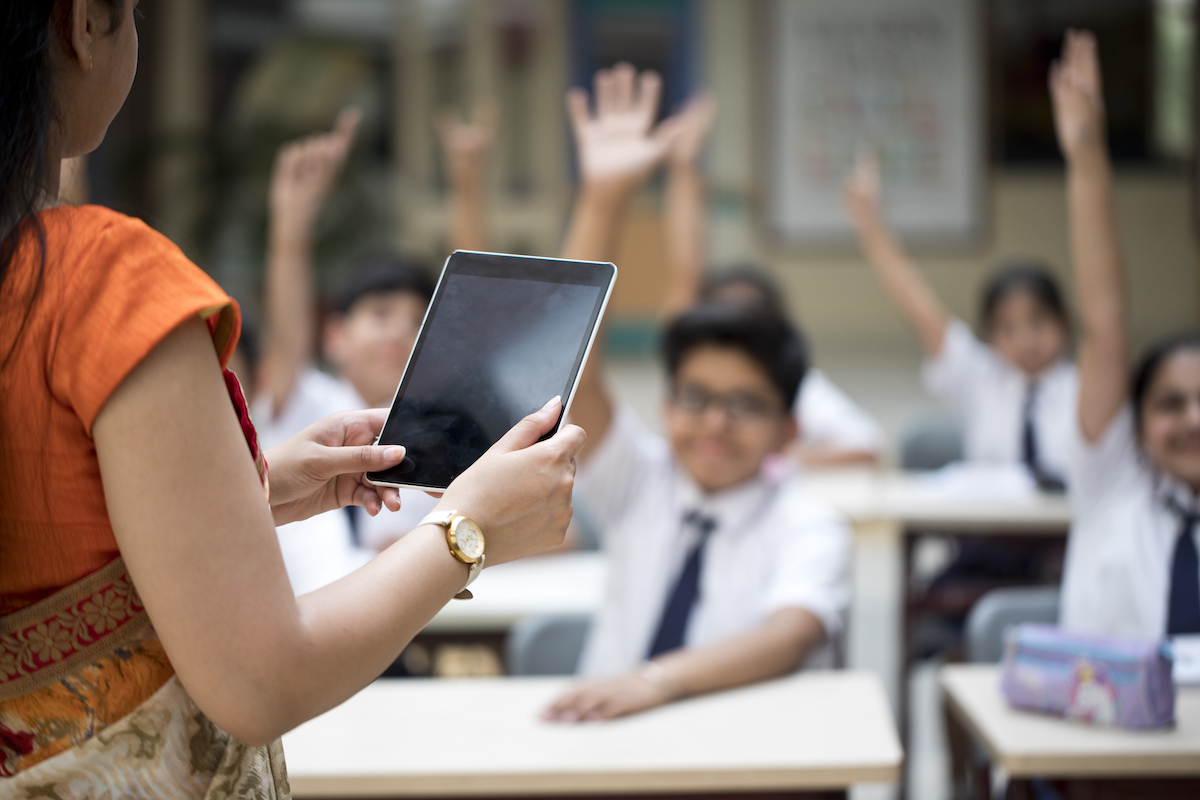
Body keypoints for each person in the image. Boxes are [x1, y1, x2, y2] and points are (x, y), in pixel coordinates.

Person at [0, 1, 584, 791]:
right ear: (82, 25)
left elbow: (61, 538)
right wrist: (469, 526)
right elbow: (260, 680)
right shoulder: (100, 282)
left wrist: (254, 491)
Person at [545, 64, 850, 722]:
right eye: (696, 397)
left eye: (745, 406)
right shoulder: (637, 482)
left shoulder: (809, 524)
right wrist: (604, 200)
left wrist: (655, 681)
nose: (714, 421)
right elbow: (570, 370)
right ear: (666, 403)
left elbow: (791, 634)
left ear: (790, 430)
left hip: (733, 767)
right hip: (604, 756)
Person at [1050, 30, 1200, 640]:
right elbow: (1105, 323)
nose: (1193, 419)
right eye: (1170, 404)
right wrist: (1087, 157)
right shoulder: (1113, 479)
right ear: (1135, 423)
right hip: (1107, 735)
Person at [253, 112, 441, 581]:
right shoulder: (311, 404)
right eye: (379, 315)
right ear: (334, 336)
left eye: (419, 322)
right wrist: (291, 227)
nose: (399, 332)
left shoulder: (435, 433)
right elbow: (288, 336)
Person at [661, 96, 884, 468]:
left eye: (746, 405)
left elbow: (867, 445)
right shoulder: (691, 369)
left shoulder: (791, 381)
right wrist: (683, 170)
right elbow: (686, 276)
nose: (718, 421)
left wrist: (768, 457)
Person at [843, 154, 1077, 490]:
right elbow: (918, 306)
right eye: (1007, 329)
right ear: (991, 336)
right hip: (985, 532)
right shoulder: (980, 377)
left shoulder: (1086, 391)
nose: (1026, 341)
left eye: (1037, 323)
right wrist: (871, 227)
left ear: (1064, 322)